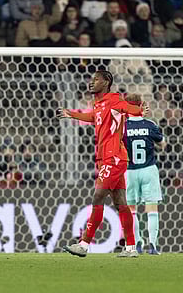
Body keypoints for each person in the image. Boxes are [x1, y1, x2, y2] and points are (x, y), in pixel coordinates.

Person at [58, 70, 149, 258]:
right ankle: (131, 248)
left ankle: (83, 244)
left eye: (96, 80)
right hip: (105, 158)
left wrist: (139, 111)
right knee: (120, 203)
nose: (91, 83)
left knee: (98, 197)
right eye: (91, 80)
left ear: (106, 82)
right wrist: (71, 114)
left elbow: (127, 108)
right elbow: (94, 117)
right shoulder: (98, 104)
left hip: (113, 157)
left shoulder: (114, 99)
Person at [125, 93, 166, 255]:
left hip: (129, 171)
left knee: (132, 209)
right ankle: (153, 246)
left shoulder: (122, 126)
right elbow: (162, 144)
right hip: (149, 169)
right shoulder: (149, 124)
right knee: (152, 208)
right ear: (141, 105)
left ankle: (137, 243)